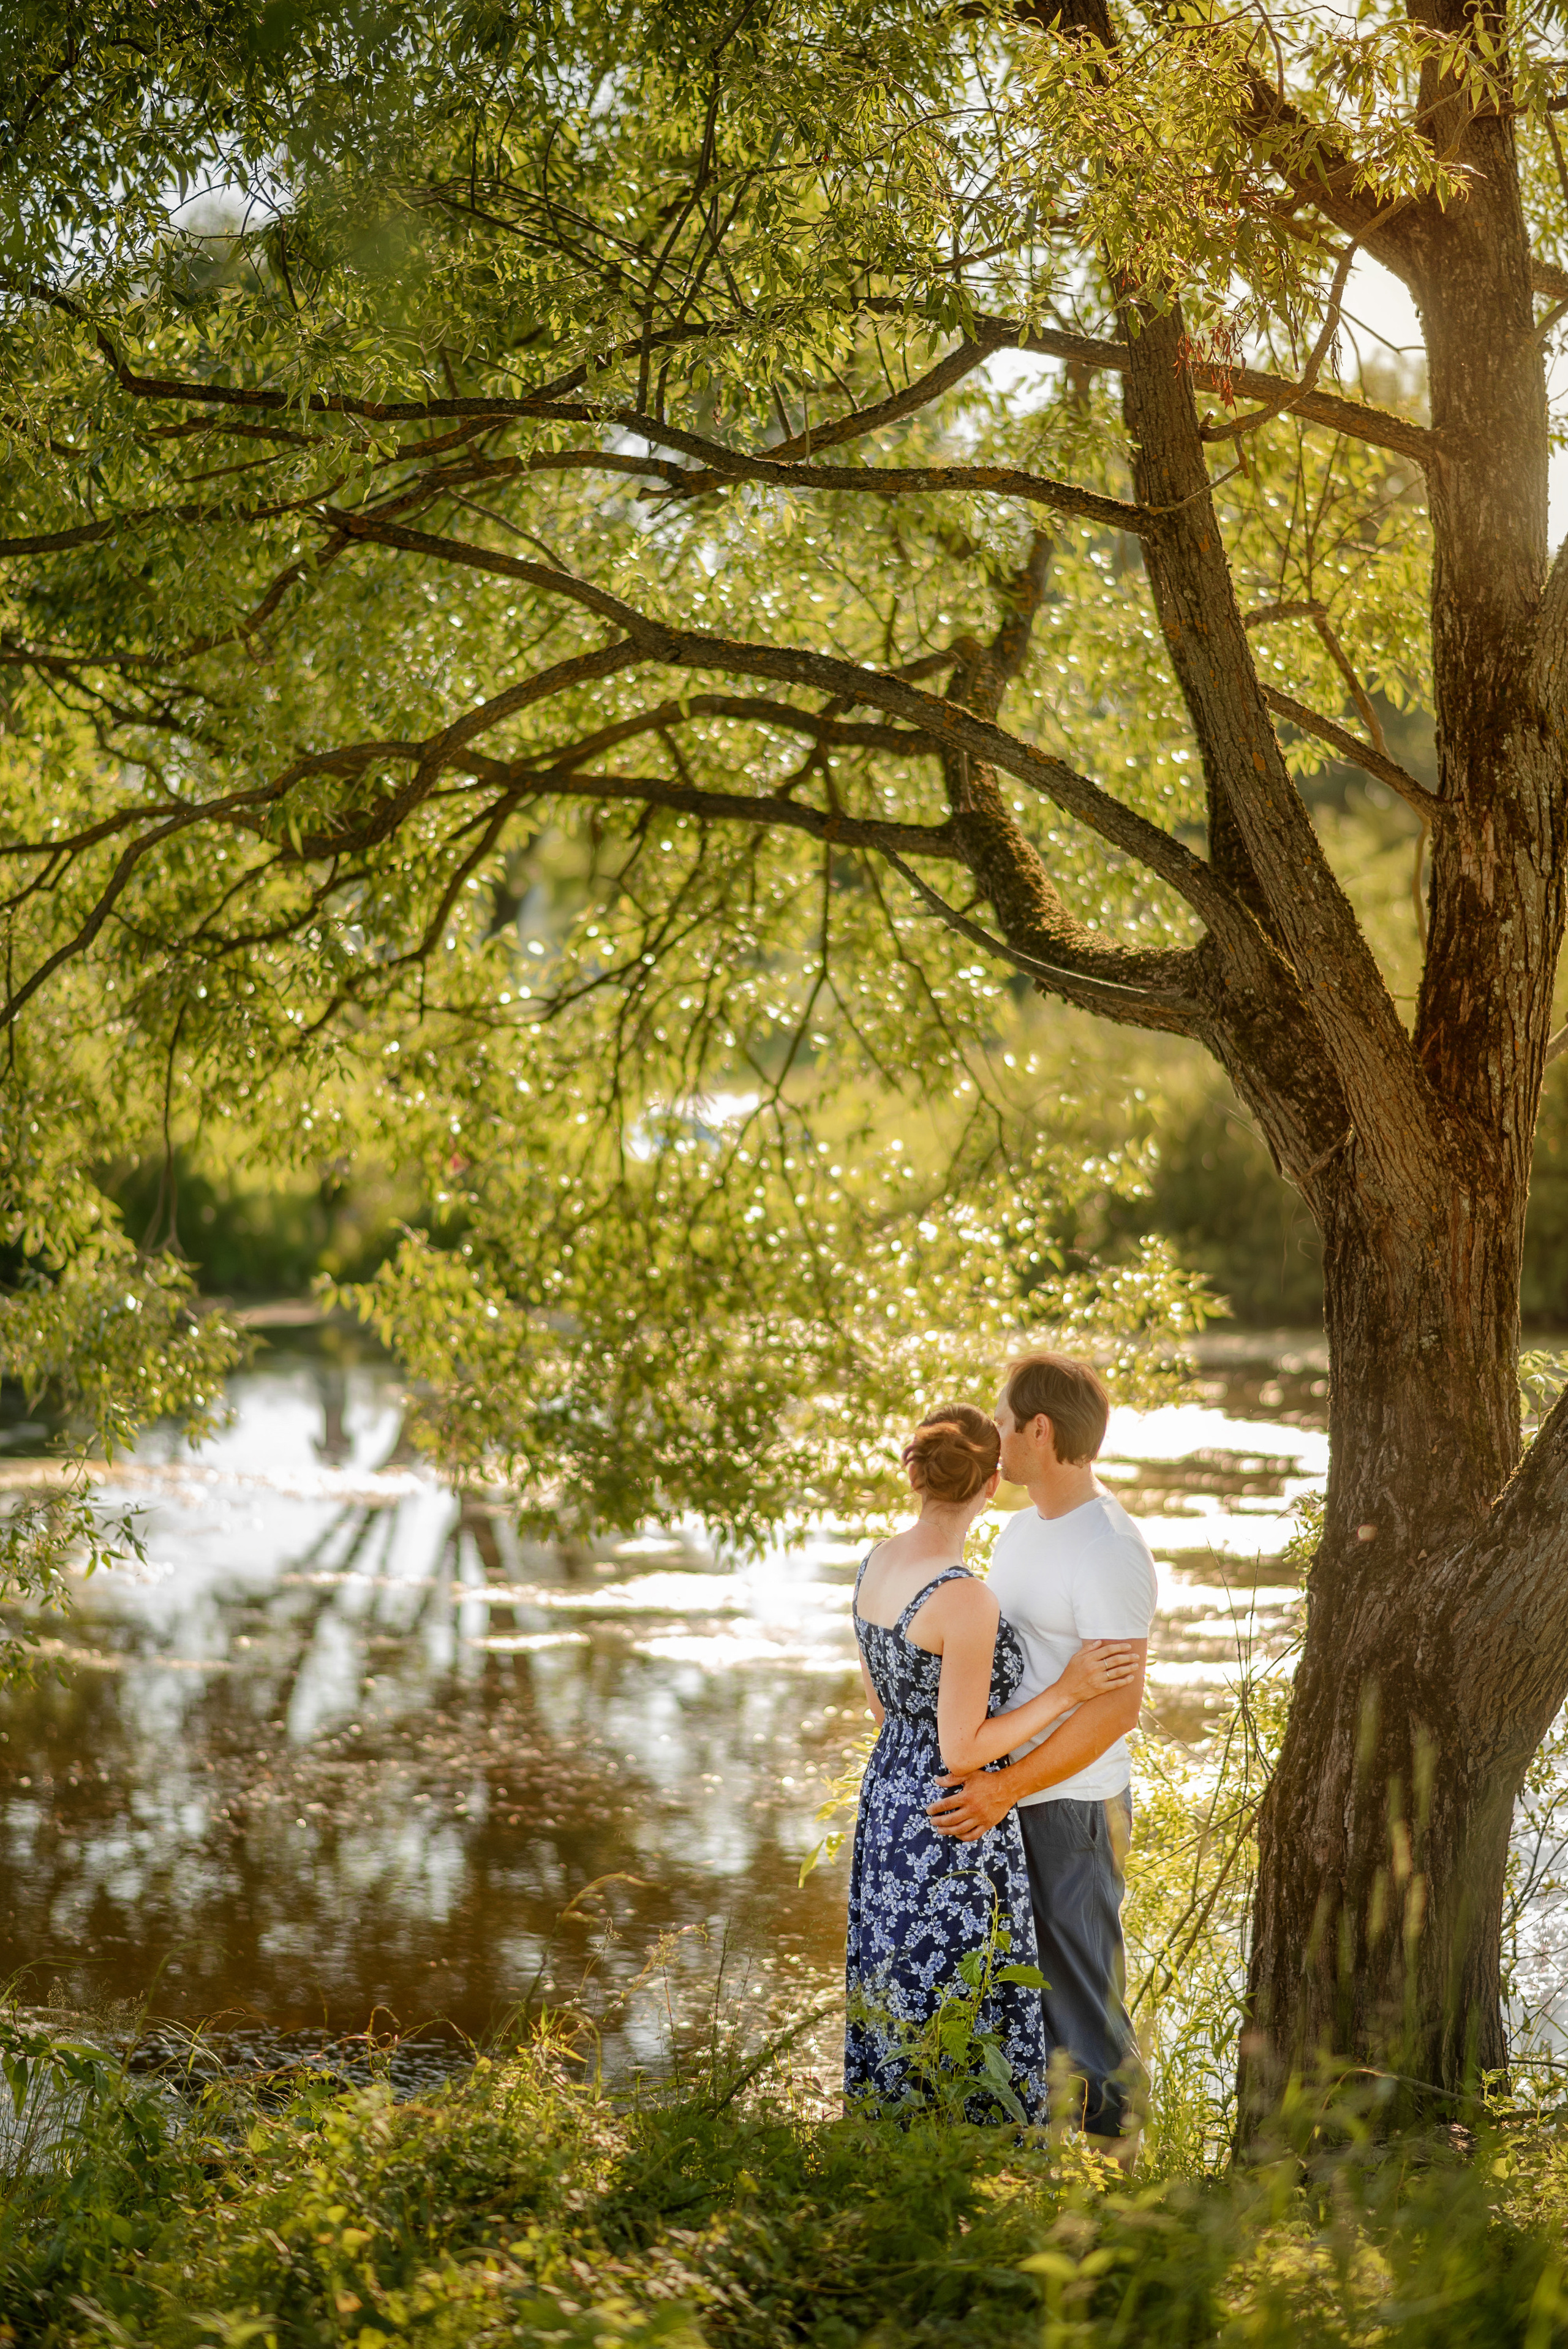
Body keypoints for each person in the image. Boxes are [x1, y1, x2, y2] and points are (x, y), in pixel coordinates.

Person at [845, 1400, 1137, 2121]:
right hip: (953, 1811)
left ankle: (895, 2143)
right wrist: (1065, 1690)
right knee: (965, 1989)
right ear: (989, 1484)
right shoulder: (965, 1596)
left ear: (914, 1475)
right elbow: (962, 1748)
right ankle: (979, 2166)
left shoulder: (877, 1561)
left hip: (888, 1798)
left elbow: (881, 1701)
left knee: (898, 1978)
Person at [927, 1353, 1157, 2163]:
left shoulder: (1109, 1549)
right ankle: (1055, 2187)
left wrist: (1010, 1785)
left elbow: (1117, 1708)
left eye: (1001, 1418)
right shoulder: (1024, 1528)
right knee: (1023, 2006)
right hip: (1009, 1796)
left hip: (1071, 1809)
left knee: (1085, 2008)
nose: (993, 1433)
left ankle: (1124, 2195)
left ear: (1040, 1429)